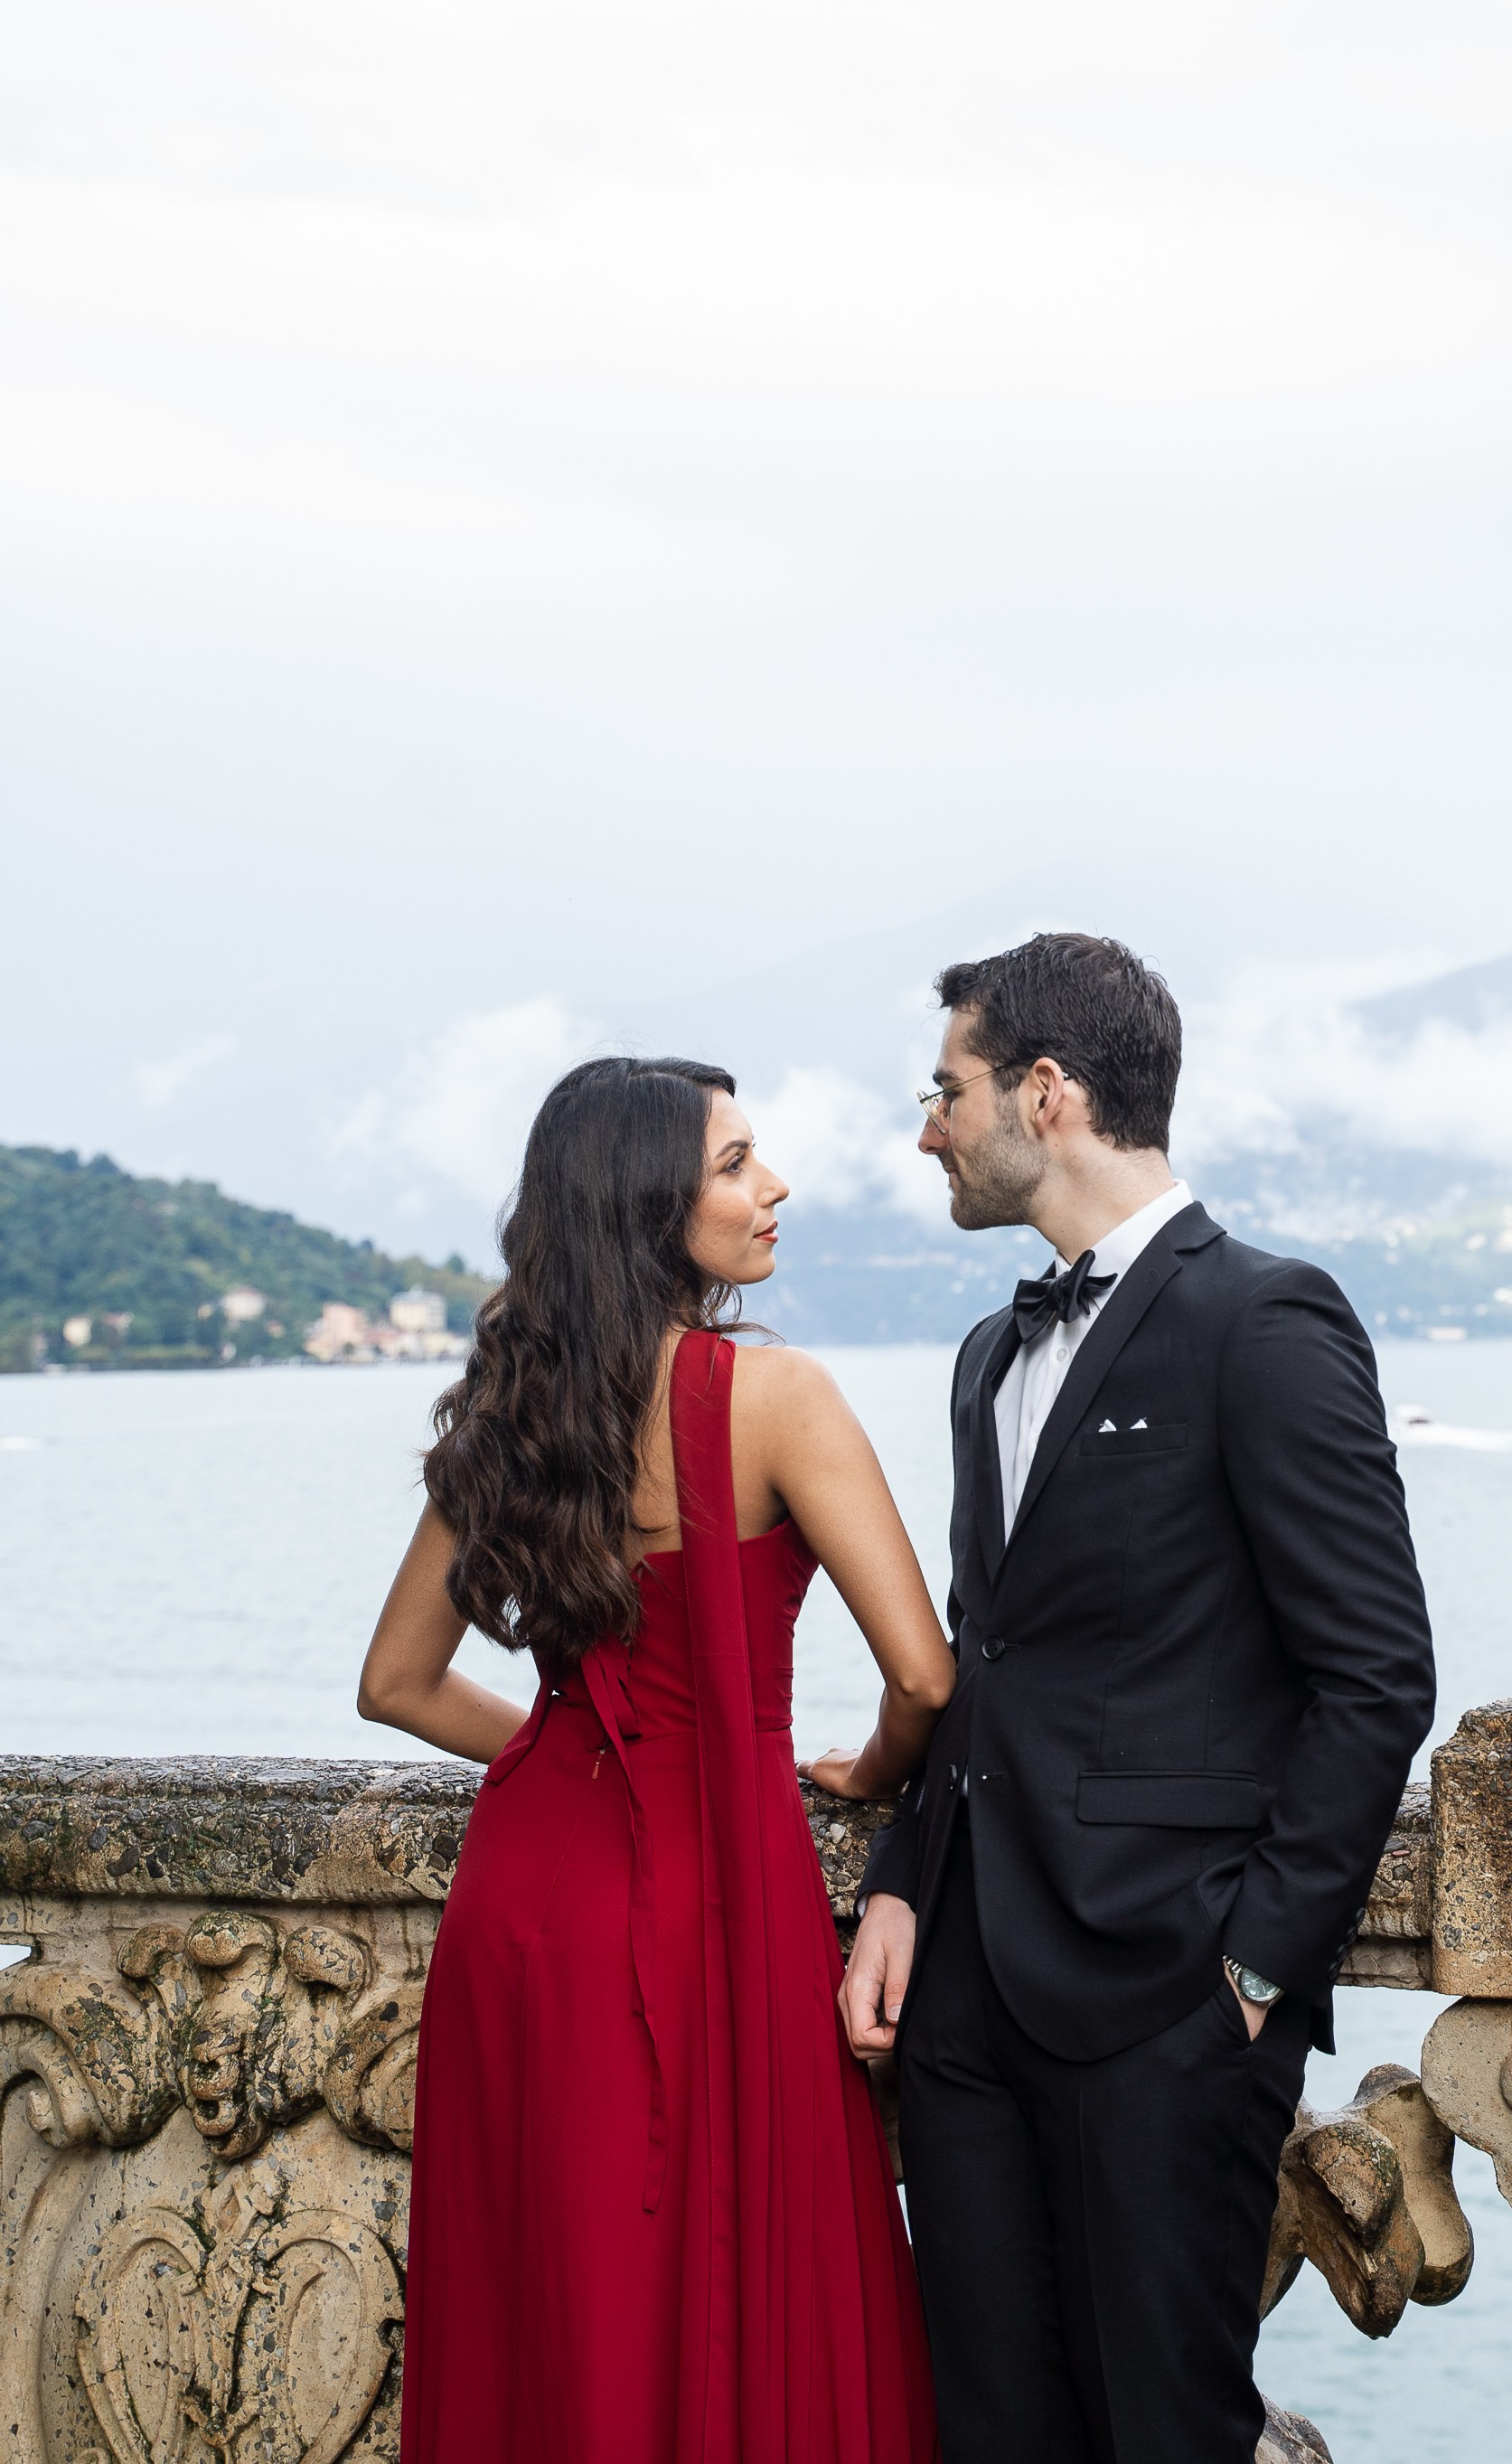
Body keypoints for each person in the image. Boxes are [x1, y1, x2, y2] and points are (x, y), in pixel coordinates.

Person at [841, 933, 1435, 2464]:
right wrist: (903, 1883)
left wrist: (1249, 1976)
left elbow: (1375, 1675)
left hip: (1170, 2005)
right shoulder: (988, 1356)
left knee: (1163, 2433)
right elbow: (988, 1662)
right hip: (966, 2000)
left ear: (1046, 1093)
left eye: (945, 1086)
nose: (926, 1128)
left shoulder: (1266, 1319)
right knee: (987, 2431)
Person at [361, 1056, 950, 2464]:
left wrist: (578, 1749)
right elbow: (926, 1675)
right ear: (646, 1205)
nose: (774, 1186)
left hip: (532, 1903)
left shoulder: (514, 1405)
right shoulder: (776, 1396)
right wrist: (869, 1773)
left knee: (558, 2306)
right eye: (737, 1164)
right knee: (737, 2279)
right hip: (711, 1897)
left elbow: (396, 1683)